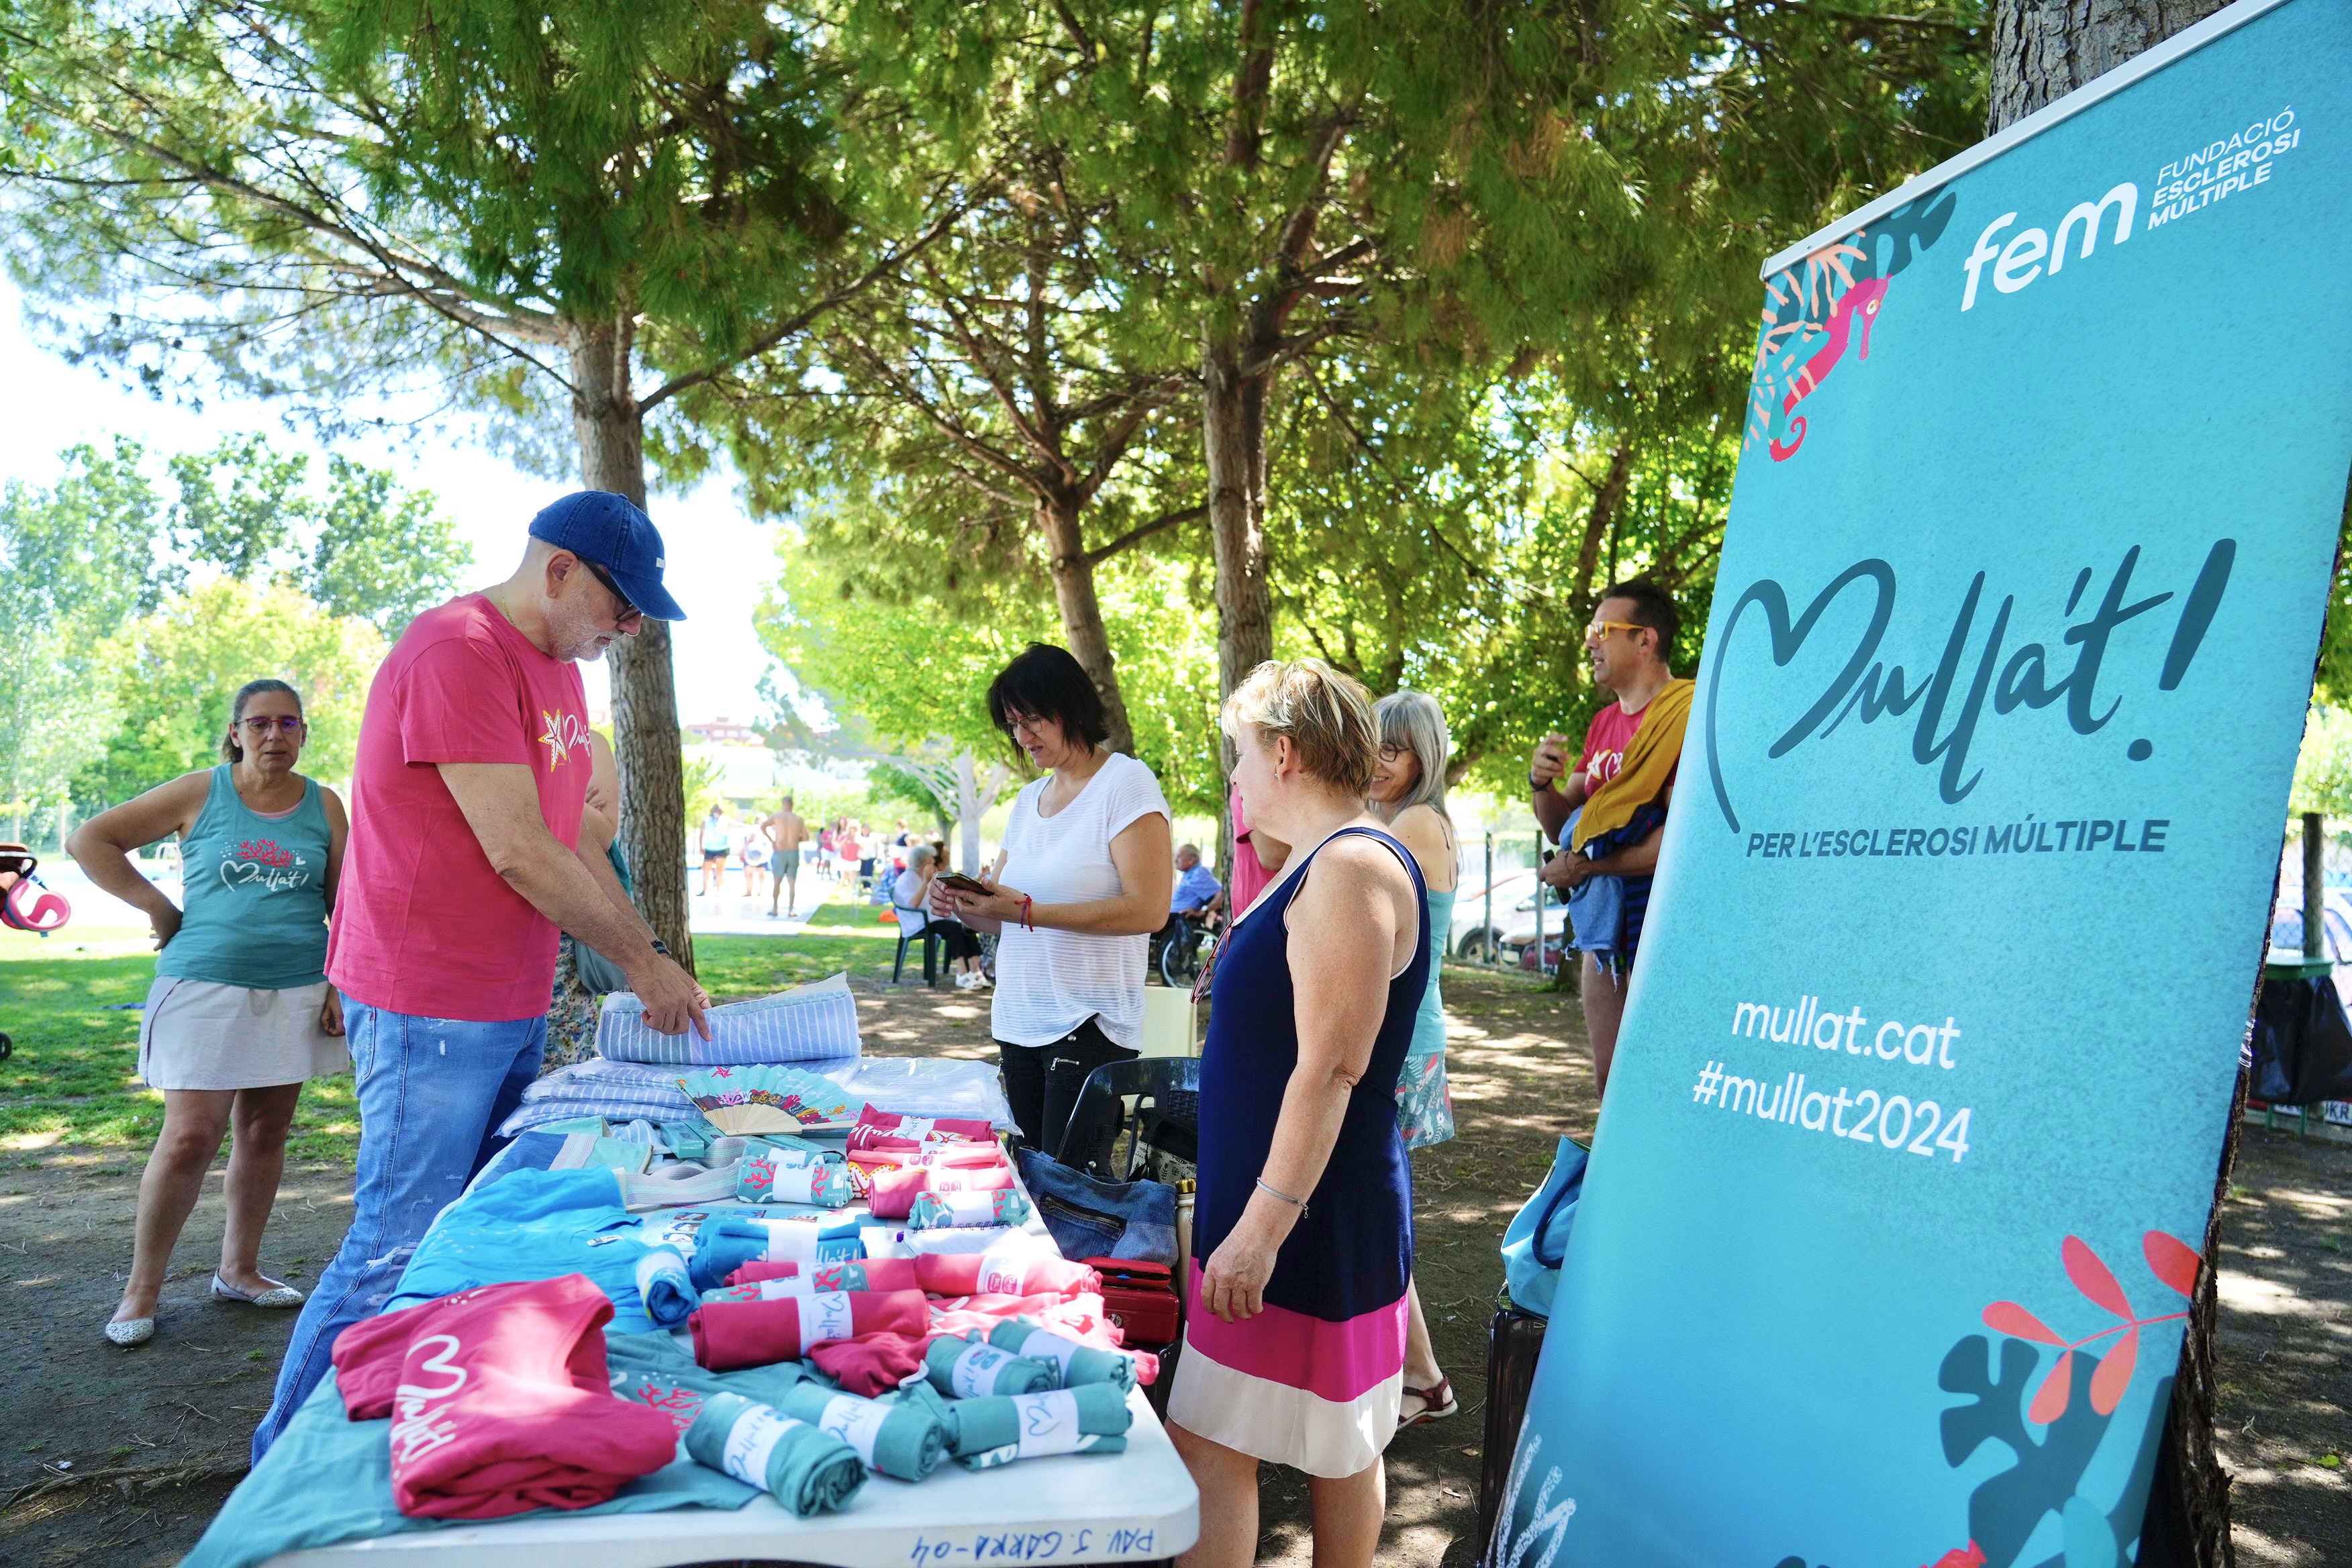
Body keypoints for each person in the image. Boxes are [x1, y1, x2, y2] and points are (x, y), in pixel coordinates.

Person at [250, 489, 709, 1463]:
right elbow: (518, 850)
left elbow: (571, 838)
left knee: (478, 1237)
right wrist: (642, 961)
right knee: (396, 1244)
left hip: (508, 996)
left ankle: (415, 1436)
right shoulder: (456, 648)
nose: (629, 629)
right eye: (623, 605)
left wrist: (651, 953)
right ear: (560, 571)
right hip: (429, 1001)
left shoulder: (560, 673)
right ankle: (281, 1468)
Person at [1167, 658, 1424, 1568]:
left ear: (1284, 753)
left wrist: (1259, 1230)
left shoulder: (1349, 865)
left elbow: (1332, 1069)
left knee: (1227, 1443)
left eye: (1240, 754)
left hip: (1305, 1221)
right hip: (1289, 1205)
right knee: (1321, 1446)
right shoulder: (1318, 859)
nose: (1235, 778)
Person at [68, 679, 350, 1347]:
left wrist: (340, 982)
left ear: (303, 732)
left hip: (296, 986)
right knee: (191, 1136)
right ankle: (141, 1290)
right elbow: (91, 840)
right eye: (260, 722)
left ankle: (238, 1270)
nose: (274, 734)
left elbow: (346, 904)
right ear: (235, 731)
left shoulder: (324, 804)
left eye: (288, 722)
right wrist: (159, 909)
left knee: (266, 1130)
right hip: (204, 985)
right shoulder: (200, 792)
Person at [932, 643, 1172, 1163]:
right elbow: (1003, 918)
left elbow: (1149, 911)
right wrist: (961, 904)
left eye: (1033, 720)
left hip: (1087, 1025)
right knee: (1028, 1188)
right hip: (1018, 1023)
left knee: (1067, 1194)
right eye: (1013, 725)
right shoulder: (1027, 801)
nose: (1022, 737)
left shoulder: (1126, 783)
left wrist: (1027, 911)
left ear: (1072, 707)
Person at [1528, 578, 1694, 1099]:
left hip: (1664, 927)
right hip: (1605, 932)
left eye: (1602, 630)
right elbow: (1565, 827)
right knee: (1610, 1081)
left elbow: (1681, 841)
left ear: (1645, 639)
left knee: (1662, 1082)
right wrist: (1541, 784)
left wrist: (1585, 868)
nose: (1589, 642)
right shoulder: (1603, 724)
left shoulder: (1688, 713)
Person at [1367, 689, 1461, 1428]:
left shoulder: (1415, 824)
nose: (1377, 762)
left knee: (1374, 1212)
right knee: (1374, 1209)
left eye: (1393, 751)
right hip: (1405, 1037)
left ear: (1423, 758)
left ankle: (1425, 1379)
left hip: (1399, 1045)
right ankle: (1420, 1378)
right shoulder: (1410, 821)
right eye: (1372, 746)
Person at [541, 731, 630, 1076]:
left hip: (565, 937)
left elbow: (601, 832)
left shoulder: (587, 740)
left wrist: (530, 798)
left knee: (561, 1076)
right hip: (490, 936)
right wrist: (570, 801)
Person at [894, 842, 987, 989]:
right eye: (931, 859)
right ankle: (962, 973)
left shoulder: (920, 876)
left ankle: (977, 972)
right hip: (918, 923)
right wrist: (926, 881)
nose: (934, 861)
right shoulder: (907, 879)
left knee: (966, 928)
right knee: (955, 930)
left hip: (932, 919)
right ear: (924, 862)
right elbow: (913, 904)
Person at [1228, 782, 1287, 917]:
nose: (1233, 778)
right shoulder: (1247, 784)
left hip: (1280, 907)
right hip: (1266, 912)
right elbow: (1274, 857)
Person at [762, 794, 807, 918]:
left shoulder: (777, 816)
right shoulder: (798, 819)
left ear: (783, 804)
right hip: (793, 851)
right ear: (792, 805)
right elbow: (806, 837)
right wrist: (795, 839)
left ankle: (775, 908)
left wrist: (773, 842)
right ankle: (791, 909)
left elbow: (763, 826)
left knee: (777, 881)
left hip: (780, 850)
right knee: (792, 882)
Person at [697, 803, 735, 896]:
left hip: (722, 848)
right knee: (706, 870)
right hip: (710, 848)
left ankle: (719, 890)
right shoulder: (706, 820)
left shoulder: (725, 820)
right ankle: (705, 890)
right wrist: (701, 847)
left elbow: (737, 824)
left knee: (720, 870)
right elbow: (701, 834)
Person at [740, 815, 769, 901]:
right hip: (763, 854)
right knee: (761, 874)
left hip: (752, 854)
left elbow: (751, 839)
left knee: (749, 874)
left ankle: (749, 892)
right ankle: (760, 892)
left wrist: (743, 850)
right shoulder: (767, 828)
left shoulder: (755, 828)